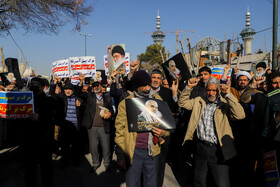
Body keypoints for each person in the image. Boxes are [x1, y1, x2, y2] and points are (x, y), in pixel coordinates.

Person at [178, 77, 245, 187]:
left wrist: (228, 94)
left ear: (219, 90)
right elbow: (182, 103)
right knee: (199, 181)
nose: (211, 93)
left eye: (214, 90)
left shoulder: (224, 104)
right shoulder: (199, 101)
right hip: (201, 148)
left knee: (221, 183)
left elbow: (240, 115)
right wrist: (188, 88)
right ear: (205, 90)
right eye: (209, 90)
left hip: (218, 150)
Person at [115, 70, 170, 187]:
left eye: (148, 85)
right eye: (143, 85)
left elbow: (167, 127)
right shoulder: (125, 103)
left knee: (151, 183)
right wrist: (120, 155)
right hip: (133, 151)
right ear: (136, 86)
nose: (147, 88)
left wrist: (163, 132)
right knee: (133, 183)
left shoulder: (158, 100)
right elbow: (119, 131)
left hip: (152, 151)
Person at [149, 69, 177, 187]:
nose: (156, 80)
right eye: (154, 77)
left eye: (158, 78)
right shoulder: (145, 91)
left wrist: (174, 94)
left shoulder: (168, 92)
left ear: (161, 80)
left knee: (160, 166)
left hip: (163, 135)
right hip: (147, 135)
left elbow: (174, 112)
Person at [82, 81, 114, 173]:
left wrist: (110, 113)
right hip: (92, 127)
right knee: (93, 147)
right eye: (94, 86)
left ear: (101, 87)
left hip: (104, 126)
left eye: (98, 85)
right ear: (92, 88)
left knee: (106, 146)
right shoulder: (89, 97)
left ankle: (107, 164)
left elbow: (111, 109)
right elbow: (80, 94)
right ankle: (95, 164)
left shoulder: (107, 98)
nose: (96, 87)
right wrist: (81, 82)